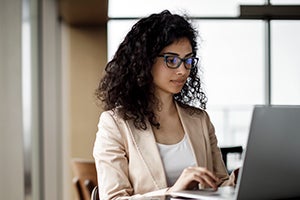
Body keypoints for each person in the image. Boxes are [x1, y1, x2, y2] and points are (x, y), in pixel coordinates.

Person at [93, 10, 235, 200]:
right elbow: (113, 198)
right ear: (144, 61)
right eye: (172, 60)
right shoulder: (114, 124)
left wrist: (237, 181)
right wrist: (172, 193)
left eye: (188, 60)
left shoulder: (200, 120)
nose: (183, 70)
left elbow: (219, 185)